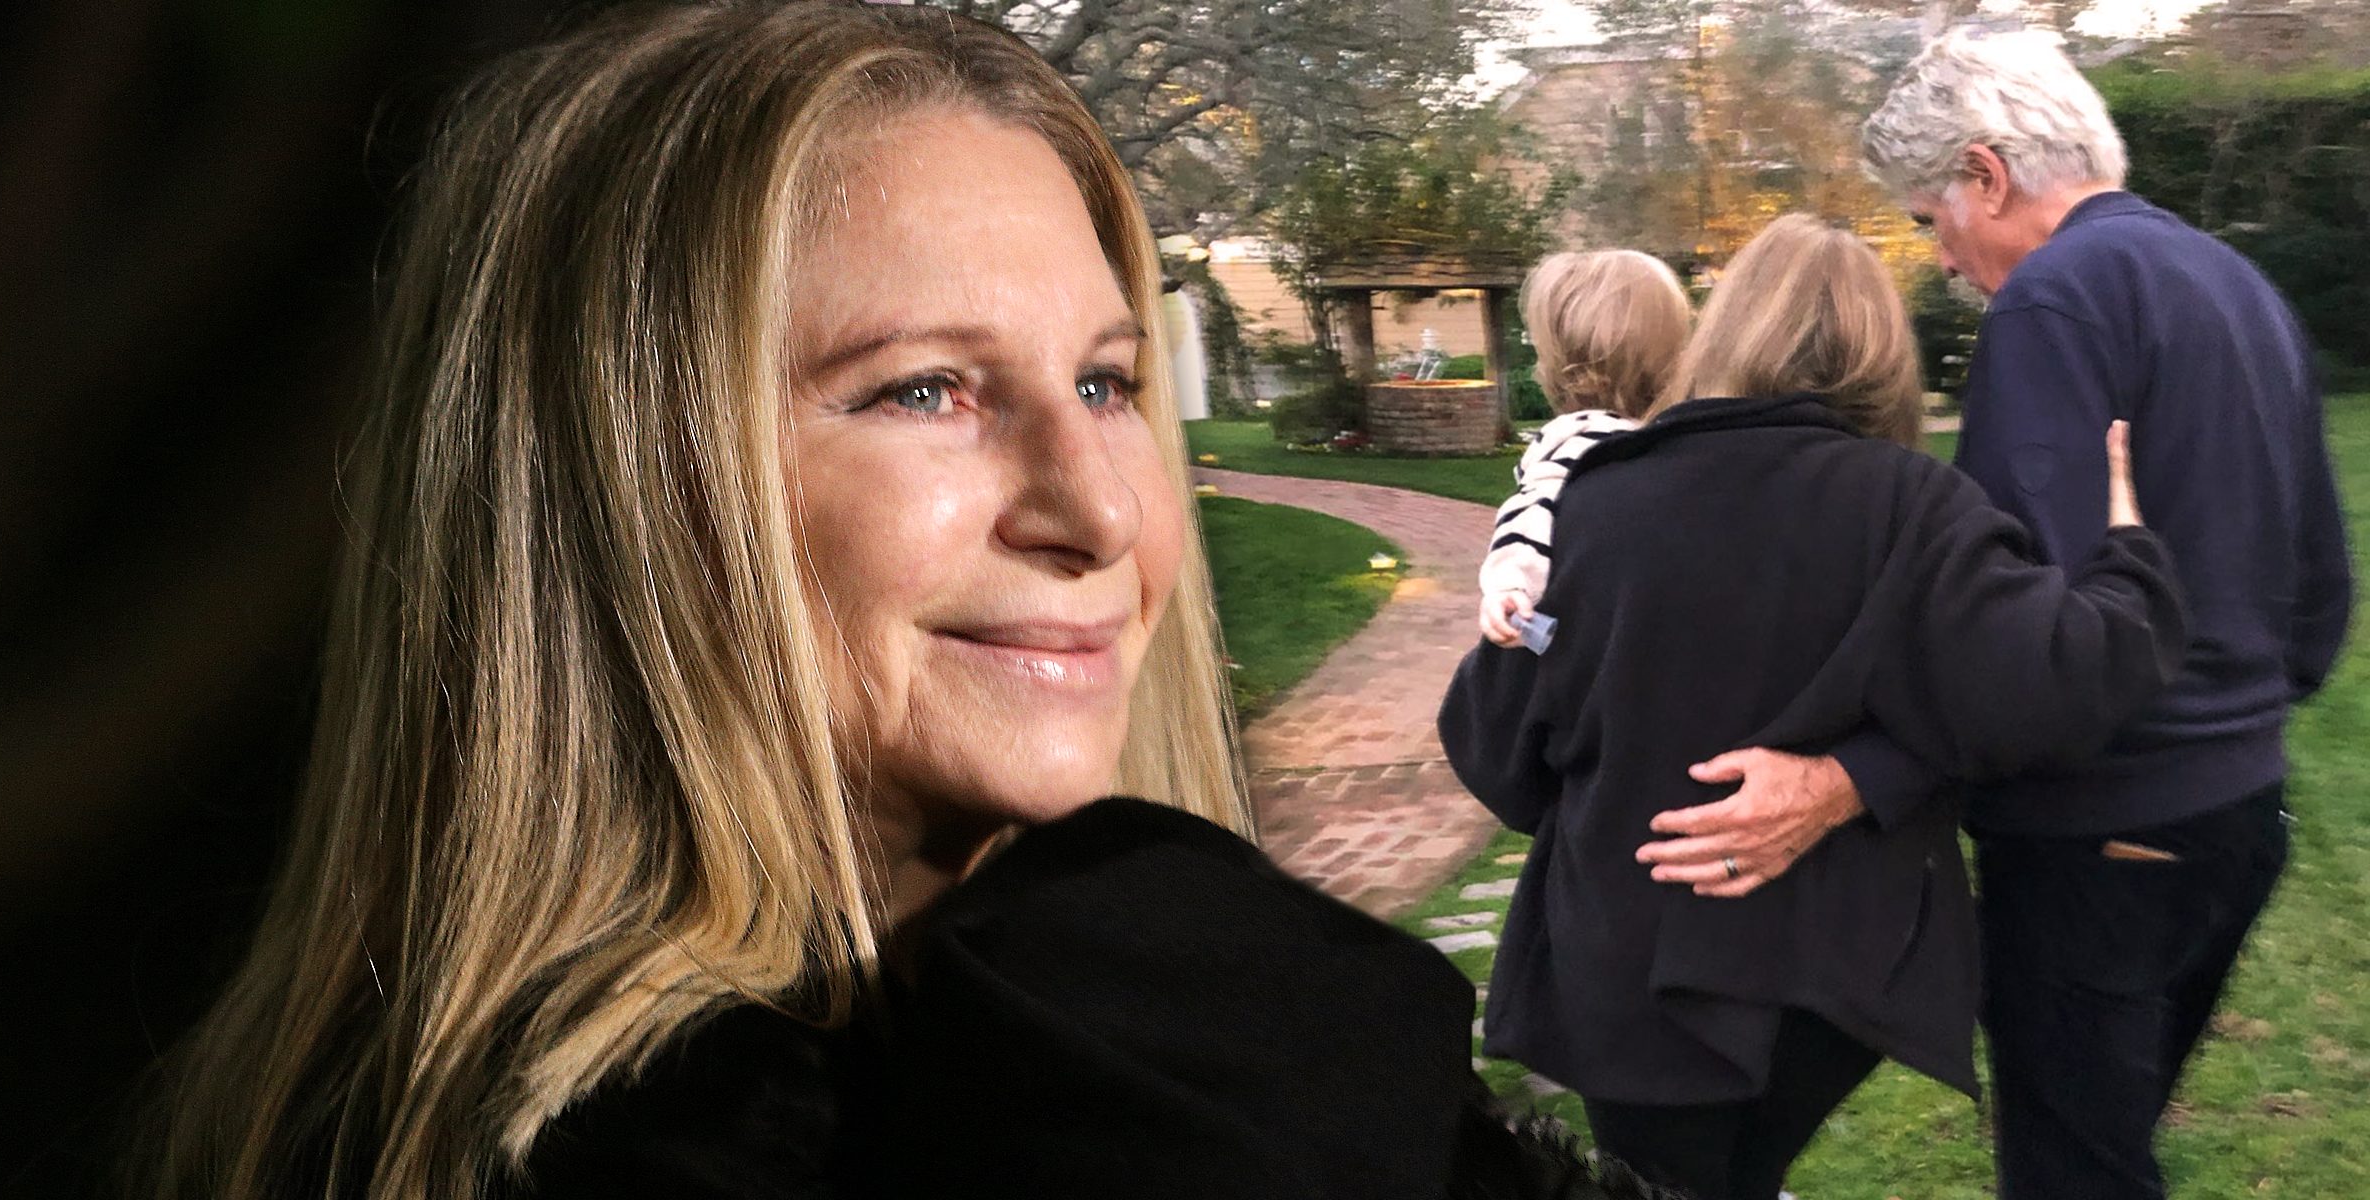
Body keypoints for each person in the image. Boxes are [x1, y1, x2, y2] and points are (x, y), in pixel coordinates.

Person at [133, 6, 1678, 1199]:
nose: (1100, 512)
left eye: (1105, 382)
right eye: (925, 390)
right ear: (613, 487)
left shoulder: (1148, 1019)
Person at [1632, 29, 2354, 1199]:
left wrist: (1849, 781)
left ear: (1987, 172)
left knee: (2074, 1173)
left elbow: (2013, 645)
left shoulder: (2057, 301)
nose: (1948, 263)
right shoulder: (2237, 283)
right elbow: (2320, 590)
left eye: (1929, 221)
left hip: (2103, 834)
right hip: (2237, 815)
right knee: (2106, 1152)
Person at [1438, 212, 2193, 1200]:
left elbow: (1496, 752)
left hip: (1633, 972)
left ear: (1727, 334)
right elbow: (2062, 682)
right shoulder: (1919, 506)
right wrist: (2132, 552)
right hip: (1831, 981)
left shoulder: (1599, 505)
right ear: (1888, 356)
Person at [1479, 250, 1689, 649]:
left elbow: (1533, 504)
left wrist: (1511, 586)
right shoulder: (1588, 440)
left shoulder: (1606, 436)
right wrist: (1512, 585)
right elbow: (1532, 509)